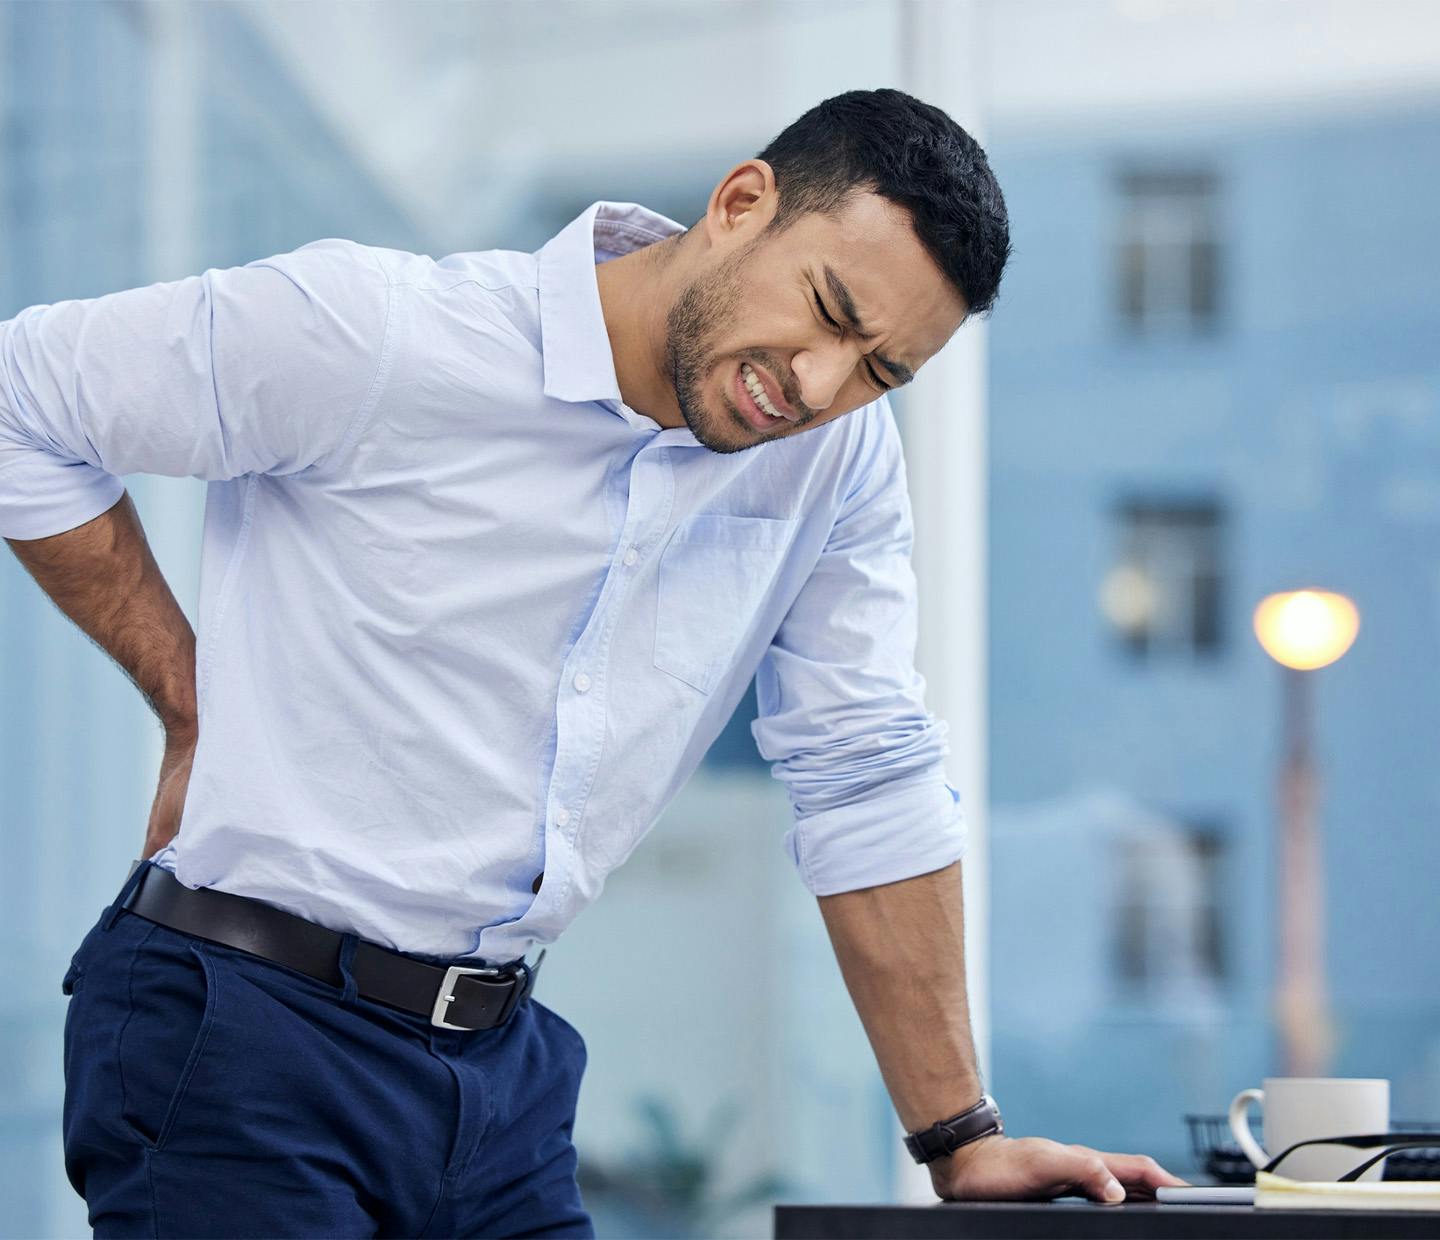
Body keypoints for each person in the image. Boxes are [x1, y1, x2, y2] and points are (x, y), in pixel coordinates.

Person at [2, 88, 1184, 1236]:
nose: (821, 385)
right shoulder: (384, 331)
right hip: (243, 1028)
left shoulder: (836, 463)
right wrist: (186, 695)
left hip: (496, 1073)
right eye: (827, 309)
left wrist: (962, 1137)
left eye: (879, 369)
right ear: (739, 201)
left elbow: (865, 768)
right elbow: (23, 397)